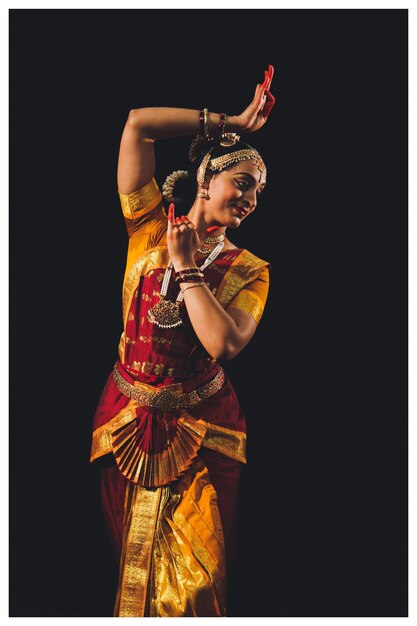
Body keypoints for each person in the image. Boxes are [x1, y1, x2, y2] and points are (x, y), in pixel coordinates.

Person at [89, 65, 276, 617]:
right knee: (129, 569)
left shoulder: (249, 269)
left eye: (259, 193)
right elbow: (137, 125)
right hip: (125, 417)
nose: (250, 199)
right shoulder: (147, 225)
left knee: (196, 586)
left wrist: (187, 268)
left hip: (201, 428)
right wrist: (232, 121)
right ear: (206, 178)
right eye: (243, 183)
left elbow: (224, 343)